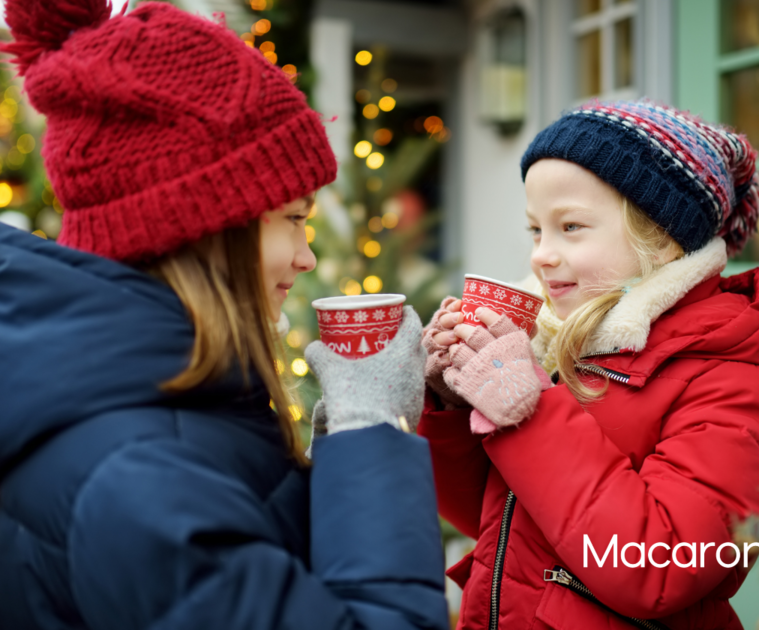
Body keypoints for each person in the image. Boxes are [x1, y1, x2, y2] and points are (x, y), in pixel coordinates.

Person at [0, 2, 448, 629]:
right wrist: (373, 432)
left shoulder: (169, 406)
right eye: (294, 218)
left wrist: (342, 450)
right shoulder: (137, 481)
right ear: (204, 226)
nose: (306, 255)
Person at [419, 101, 759, 629]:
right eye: (536, 230)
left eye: (571, 226)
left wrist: (525, 410)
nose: (541, 254)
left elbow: (661, 568)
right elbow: (502, 517)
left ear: (661, 237)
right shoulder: (568, 343)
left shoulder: (733, 377)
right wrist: (454, 405)